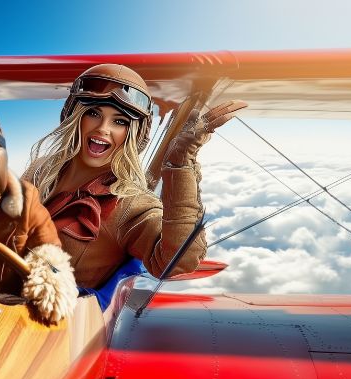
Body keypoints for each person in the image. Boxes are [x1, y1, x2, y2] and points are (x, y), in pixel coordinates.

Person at [24, 64, 245, 301]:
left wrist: (181, 163)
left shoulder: (130, 204)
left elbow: (176, 262)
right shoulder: (41, 169)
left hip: (52, 324)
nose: (102, 129)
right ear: (74, 115)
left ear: (134, 133)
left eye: (119, 122)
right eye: (94, 113)